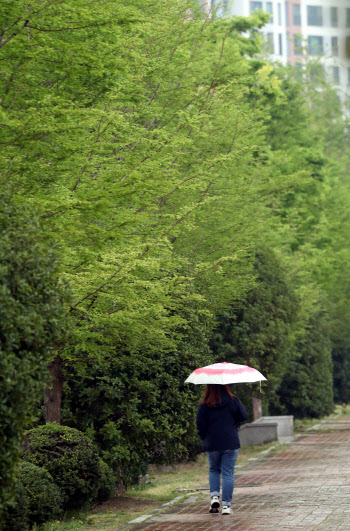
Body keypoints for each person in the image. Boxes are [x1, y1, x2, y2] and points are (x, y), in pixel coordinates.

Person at [196, 384, 247, 515]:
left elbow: (199, 423)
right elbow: (243, 415)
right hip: (230, 441)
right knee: (228, 473)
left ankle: (214, 497)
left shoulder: (205, 403)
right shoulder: (233, 400)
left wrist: (204, 437)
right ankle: (226, 506)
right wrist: (234, 423)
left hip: (212, 442)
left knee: (214, 469)